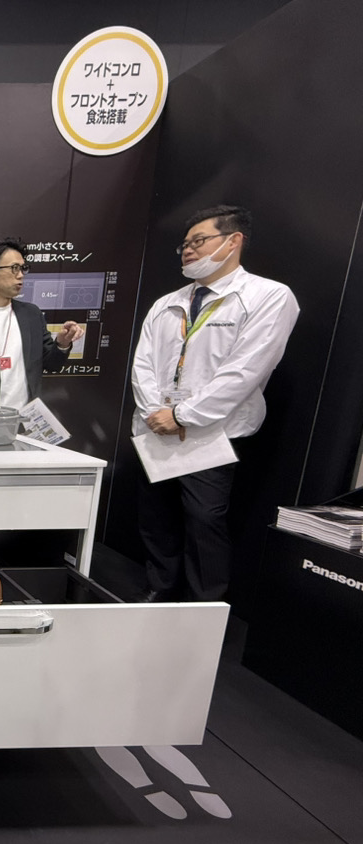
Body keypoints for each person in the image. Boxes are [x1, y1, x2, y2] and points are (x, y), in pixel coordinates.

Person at [131, 205, 299, 602]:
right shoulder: (167, 302)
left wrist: (183, 415)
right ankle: (159, 589)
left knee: (204, 521)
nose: (188, 250)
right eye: (185, 244)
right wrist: (155, 412)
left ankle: (204, 605)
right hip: (156, 426)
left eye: (199, 241)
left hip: (210, 433)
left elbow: (246, 370)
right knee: (156, 517)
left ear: (233, 240)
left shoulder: (268, 296)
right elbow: (143, 364)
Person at [0, 239, 85, 412]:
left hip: (26, 419)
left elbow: (52, 364)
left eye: (23, 268)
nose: (20, 275)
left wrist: (62, 343)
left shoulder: (32, 314)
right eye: (14, 268)